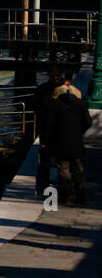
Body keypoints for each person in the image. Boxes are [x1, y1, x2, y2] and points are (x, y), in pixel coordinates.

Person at [44, 72, 89, 205]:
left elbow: (49, 126)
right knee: (78, 169)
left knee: (64, 170)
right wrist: (78, 131)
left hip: (60, 143)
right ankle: (80, 195)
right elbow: (88, 122)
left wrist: (46, 142)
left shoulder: (54, 106)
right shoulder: (81, 105)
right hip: (76, 142)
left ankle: (67, 196)